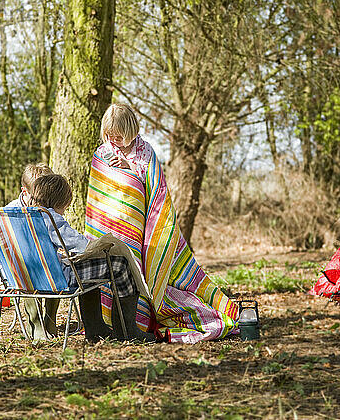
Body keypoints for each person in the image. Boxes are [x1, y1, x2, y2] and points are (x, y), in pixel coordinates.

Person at [86, 104, 239, 343]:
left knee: (135, 271)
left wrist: (130, 172)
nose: (115, 139)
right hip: (108, 224)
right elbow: (99, 191)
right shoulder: (101, 152)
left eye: (119, 135)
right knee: (109, 268)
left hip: (138, 226)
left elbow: (157, 192)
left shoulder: (145, 152)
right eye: (110, 134)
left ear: (131, 130)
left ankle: (135, 324)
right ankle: (108, 325)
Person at [29, 173, 156, 343]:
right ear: (60, 201)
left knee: (88, 271)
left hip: (31, 279)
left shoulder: (24, 217)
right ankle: (127, 330)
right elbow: (80, 245)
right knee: (120, 265)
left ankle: (96, 328)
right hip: (59, 278)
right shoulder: (50, 217)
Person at [3, 163, 57, 340]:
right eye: (39, 195)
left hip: (45, 265)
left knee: (55, 263)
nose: (43, 199)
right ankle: (35, 323)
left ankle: (50, 319)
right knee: (27, 266)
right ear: (24, 191)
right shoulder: (10, 212)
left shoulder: (48, 210)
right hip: (17, 268)